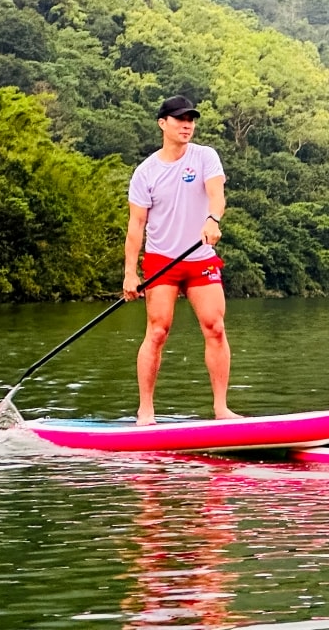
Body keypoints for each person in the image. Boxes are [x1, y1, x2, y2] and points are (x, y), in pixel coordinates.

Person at [123, 95, 238, 426]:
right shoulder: (146, 172)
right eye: (179, 119)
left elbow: (216, 195)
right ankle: (146, 411)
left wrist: (213, 219)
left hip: (200, 256)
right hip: (162, 261)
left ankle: (221, 409)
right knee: (158, 331)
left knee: (215, 327)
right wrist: (130, 274)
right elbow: (136, 227)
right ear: (163, 124)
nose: (187, 124)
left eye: (191, 119)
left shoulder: (205, 157)